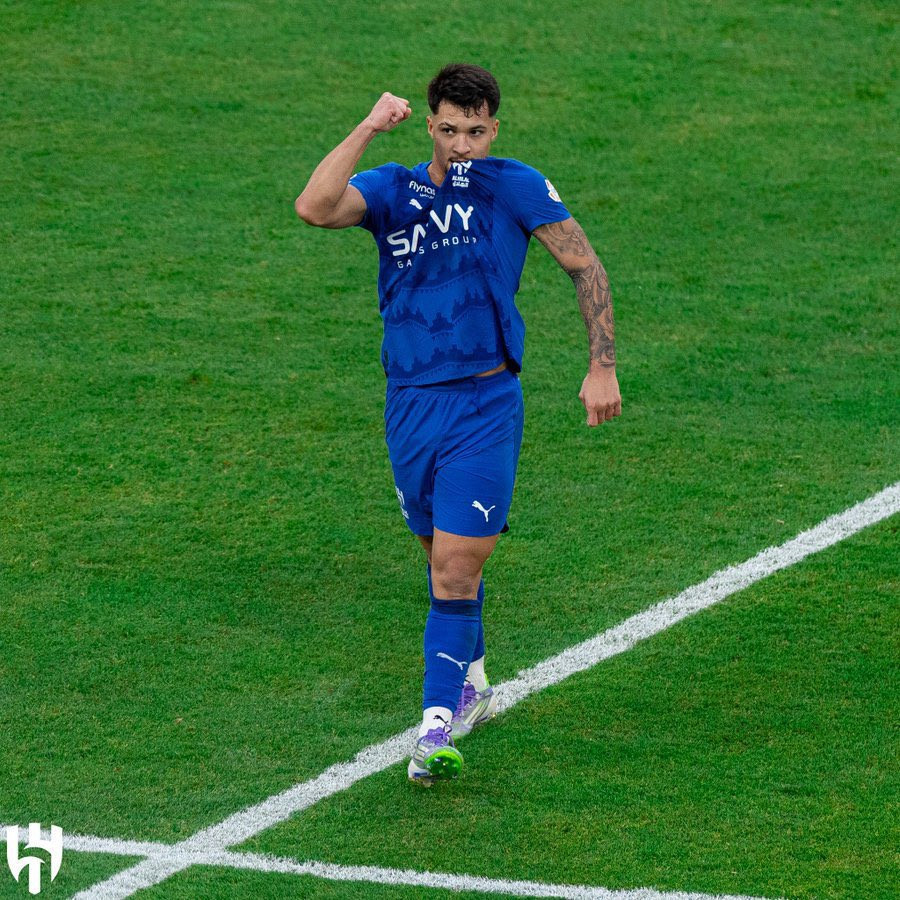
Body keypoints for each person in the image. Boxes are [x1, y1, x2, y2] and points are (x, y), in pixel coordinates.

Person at [295, 63, 620, 785]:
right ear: (431, 125)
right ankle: (471, 683)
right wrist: (369, 126)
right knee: (439, 557)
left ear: (494, 129)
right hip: (410, 405)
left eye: (476, 131)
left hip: (484, 404)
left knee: (455, 568)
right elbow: (314, 206)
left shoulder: (512, 184)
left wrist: (602, 366)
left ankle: (434, 727)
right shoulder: (393, 189)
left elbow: (585, 266)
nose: (463, 145)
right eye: (449, 130)